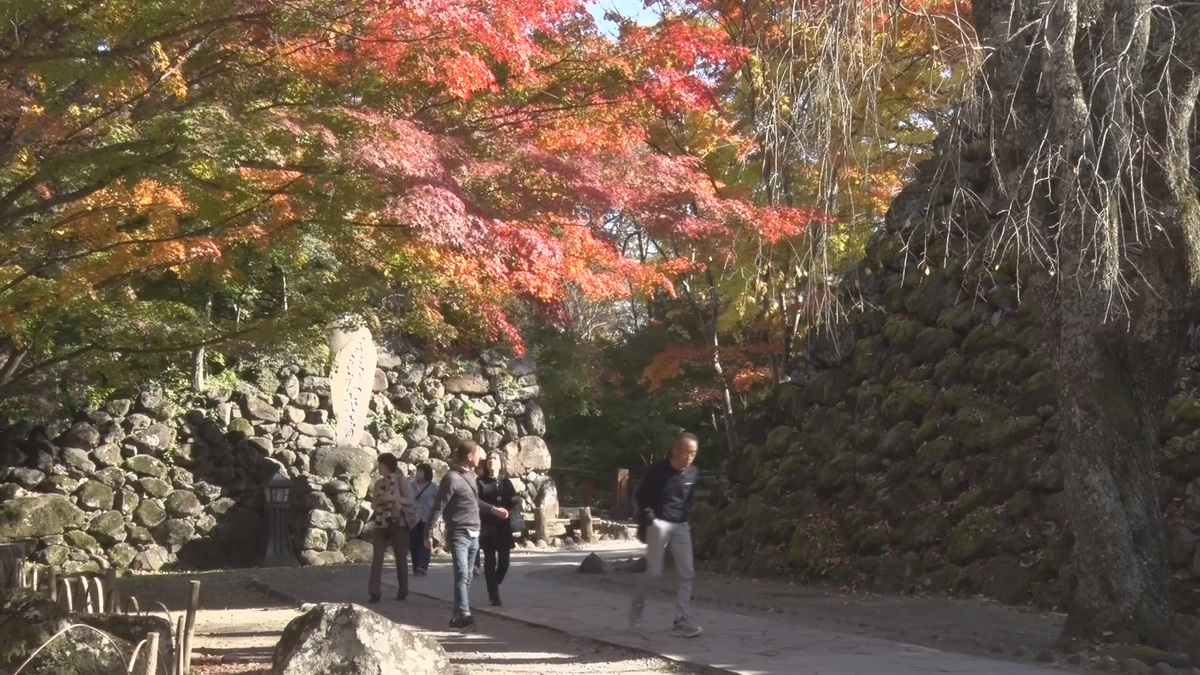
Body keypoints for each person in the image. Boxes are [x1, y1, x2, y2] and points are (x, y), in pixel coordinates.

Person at [426, 440, 509, 629]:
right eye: (479, 453)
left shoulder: (472, 477)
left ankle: (457, 616)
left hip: (474, 532)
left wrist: (494, 510)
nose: (481, 457)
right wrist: (428, 532)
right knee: (462, 572)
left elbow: (475, 502)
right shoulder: (451, 479)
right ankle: (464, 612)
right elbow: (438, 507)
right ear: (470, 456)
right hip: (458, 532)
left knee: (468, 575)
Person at [630, 432, 703, 638]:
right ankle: (637, 605)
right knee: (654, 572)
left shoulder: (693, 473)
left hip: (681, 525)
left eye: (694, 453)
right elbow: (641, 496)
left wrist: (684, 520)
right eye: (686, 452)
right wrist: (651, 520)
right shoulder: (658, 471)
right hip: (659, 523)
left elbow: (687, 500)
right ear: (675, 450)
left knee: (687, 572)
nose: (689, 456)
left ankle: (681, 620)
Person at [368, 452, 416, 603]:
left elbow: (410, 500)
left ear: (387, 465)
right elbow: (373, 504)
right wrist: (379, 501)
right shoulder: (378, 484)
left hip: (398, 523)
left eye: (381, 464)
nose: (379, 467)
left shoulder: (402, 482)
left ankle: (403, 590)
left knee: (400, 558)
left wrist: (395, 499)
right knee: (377, 558)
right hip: (381, 523)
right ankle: (374, 592)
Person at [477, 450, 519, 606]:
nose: (491, 461)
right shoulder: (480, 483)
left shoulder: (506, 483)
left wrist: (514, 501)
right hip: (487, 526)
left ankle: (494, 582)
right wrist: (493, 510)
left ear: (501, 463)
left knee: (504, 561)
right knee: (489, 560)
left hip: (503, 527)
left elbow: (510, 500)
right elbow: (477, 503)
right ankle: (493, 593)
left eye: (495, 458)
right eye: (489, 458)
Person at [409, 462, 437, 576]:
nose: (418, 473)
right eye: (417, 471)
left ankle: (422, 566)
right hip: (413, 518)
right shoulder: (411, 485)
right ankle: (416, 566)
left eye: (420, 471)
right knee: (413, 542)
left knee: (425, 541)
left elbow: (439, 501)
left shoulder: (433, 487)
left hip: (427, 517)